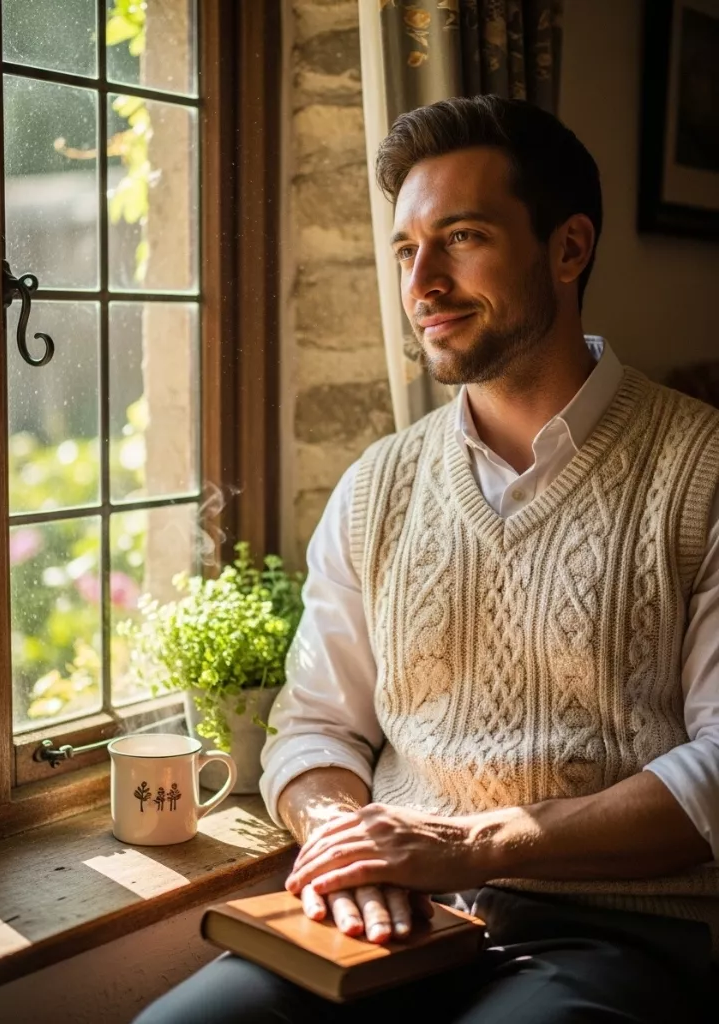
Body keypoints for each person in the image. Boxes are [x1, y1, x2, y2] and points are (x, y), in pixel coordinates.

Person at [134, 95, 719, 1023]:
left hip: (619, 931)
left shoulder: (704, 470)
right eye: (407, 250)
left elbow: (718, 771)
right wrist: (349, 844)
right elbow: (316, 727)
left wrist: (462, 845)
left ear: (569, 250)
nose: (422, 284)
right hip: (392, 913)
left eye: (462, 238)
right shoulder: (377, 487)